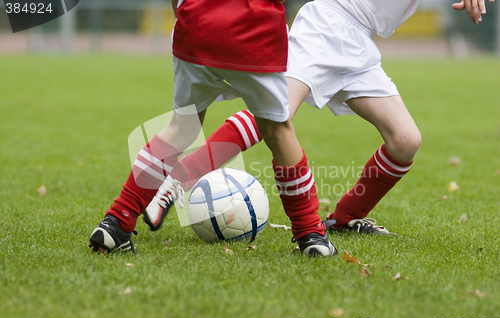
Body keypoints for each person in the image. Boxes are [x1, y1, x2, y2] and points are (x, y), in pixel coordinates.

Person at [141, 0, 494, 236]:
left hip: (359, 41)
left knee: (405, 141)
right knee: (273, 117)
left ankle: (345, 218)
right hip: (328, 21)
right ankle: (180, 179)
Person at [88, 0, 337, 256]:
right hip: (254, 29)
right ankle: (311, 234)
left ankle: (117, 221)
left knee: (181, 128)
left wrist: (184, 14)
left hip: (196, 23)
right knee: (278, 131)